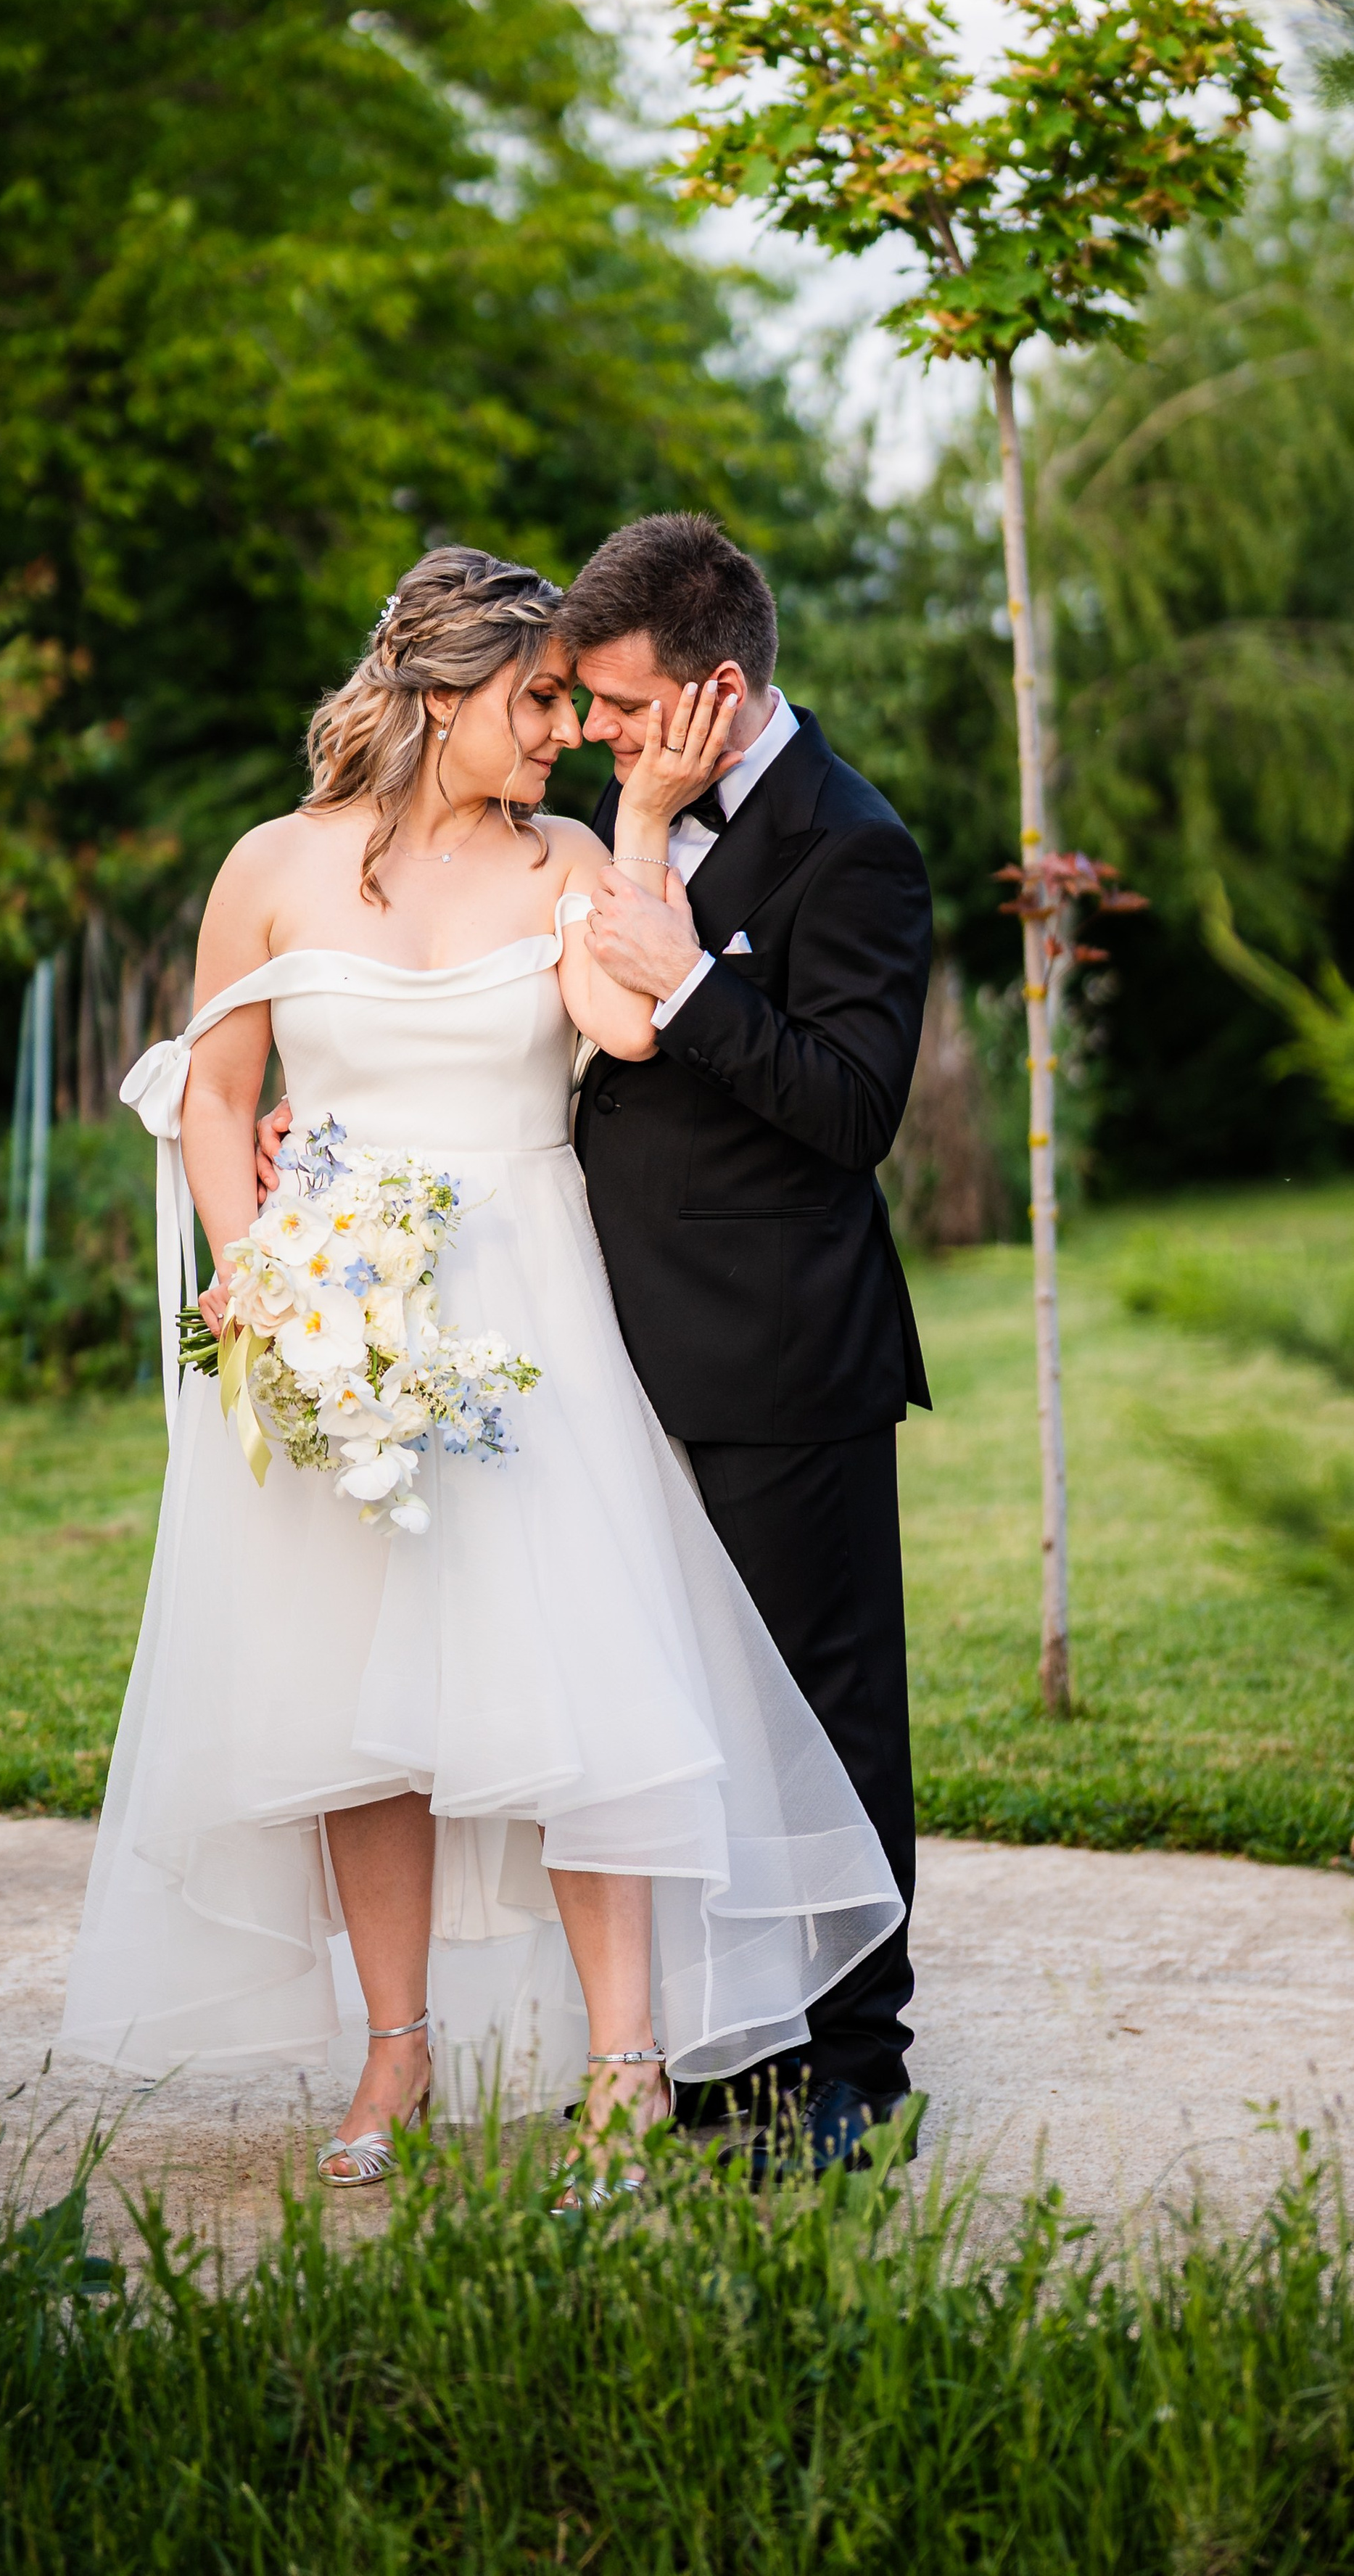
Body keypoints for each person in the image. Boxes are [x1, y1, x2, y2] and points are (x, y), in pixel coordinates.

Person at [61, 546, 901, 2197]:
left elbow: (640, 1025)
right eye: (534, 706)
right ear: (438, 701)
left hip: (532, 1320)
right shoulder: (272, 869)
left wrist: (643, 831)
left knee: (585, 1697)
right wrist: (253, 1267)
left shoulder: (572, 856)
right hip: (333, 1311)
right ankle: (396, 2047)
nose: (564, 737)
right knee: (344, 1708)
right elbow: (218, 1093)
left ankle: (622, 2062)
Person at [561, 511, 932, 2176]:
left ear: (715, 692)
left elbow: (851, 1113)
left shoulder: (855, 845)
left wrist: (694, 990)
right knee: (691, 1717)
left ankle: (856, 2061)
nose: (601, 741)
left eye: (627, 712)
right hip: (621, 1350)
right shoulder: (618, 824)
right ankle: (734, 2047)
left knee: (826, 1709)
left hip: (785, 1356)